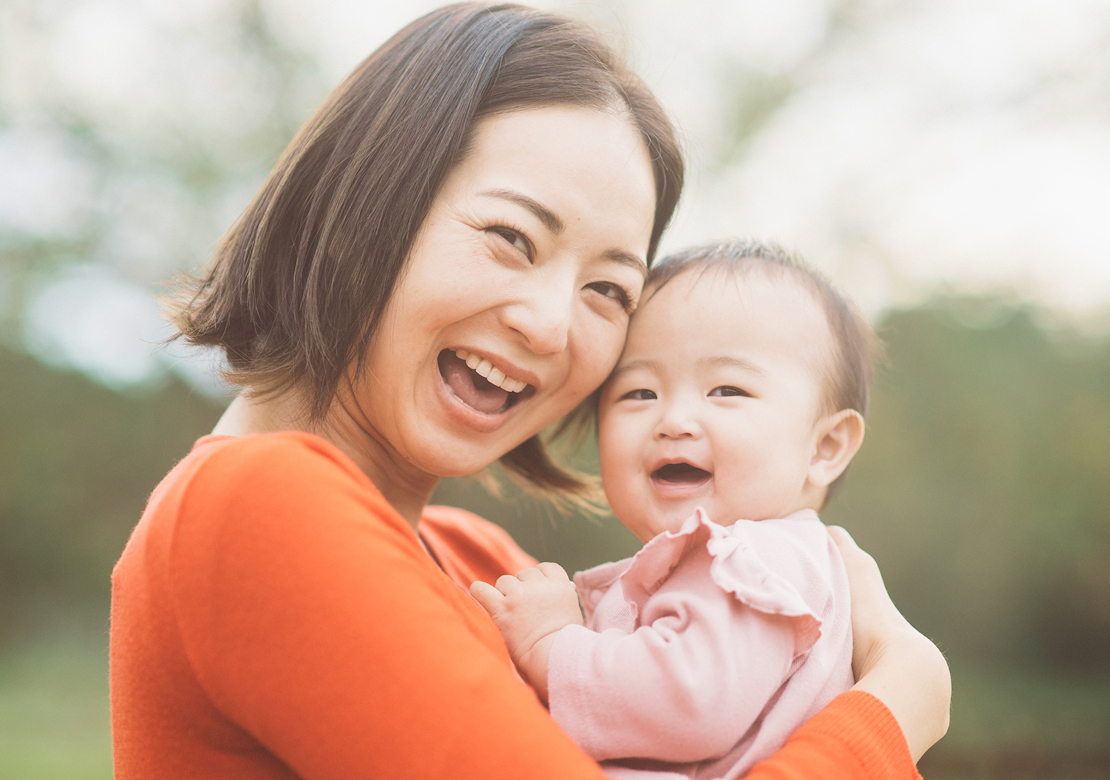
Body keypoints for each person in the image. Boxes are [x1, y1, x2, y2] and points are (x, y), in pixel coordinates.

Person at [109, 4, 949, 780]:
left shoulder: (487, 566)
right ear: (368, 203)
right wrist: (891, 709)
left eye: (608, 290)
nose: (551, 326)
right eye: (511, 237)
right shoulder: (258, 504)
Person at [472, 240, 881, 778]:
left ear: (824, 447)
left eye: (726, 389)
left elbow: (693, 701)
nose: (674, 420)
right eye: (639, 393)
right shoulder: (734, 561)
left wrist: (550, 645)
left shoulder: (756, 561)